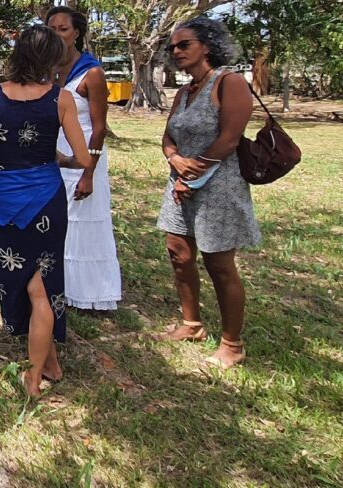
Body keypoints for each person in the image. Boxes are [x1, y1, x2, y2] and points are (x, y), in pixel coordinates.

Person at [0, 24, 94, 398]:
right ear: (51, 59)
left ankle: (33, 377)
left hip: (6, 200)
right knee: (44, 284)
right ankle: (50, 365)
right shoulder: (60, 98)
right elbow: (82, 158)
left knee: (31, 287)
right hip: (48, 198)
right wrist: (56, 158)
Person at [157, 17, 259, 369]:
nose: (176, 51)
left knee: (219, 264)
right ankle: (192, 325)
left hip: (218, 186)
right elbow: (168, 135)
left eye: (184, 44)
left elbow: (230, 138)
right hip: (180, 182)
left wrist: (192, 172)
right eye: (173, 47)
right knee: (178, 253)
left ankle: (232, 344)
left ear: (208, 46)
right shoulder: (185, 91)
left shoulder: (229, 83)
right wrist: (174, 158)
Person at [46, 6, 123, 311]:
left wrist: (88, 172)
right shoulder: (47, 69)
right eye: (51, 29)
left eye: (63, 29)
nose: (57, 35)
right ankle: (52, 281)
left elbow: (100, 126)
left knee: (81, 221)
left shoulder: (92, 73)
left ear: (76, 33)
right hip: (54, 155)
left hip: (83, 157)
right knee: (52, 219)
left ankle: (84, 291)